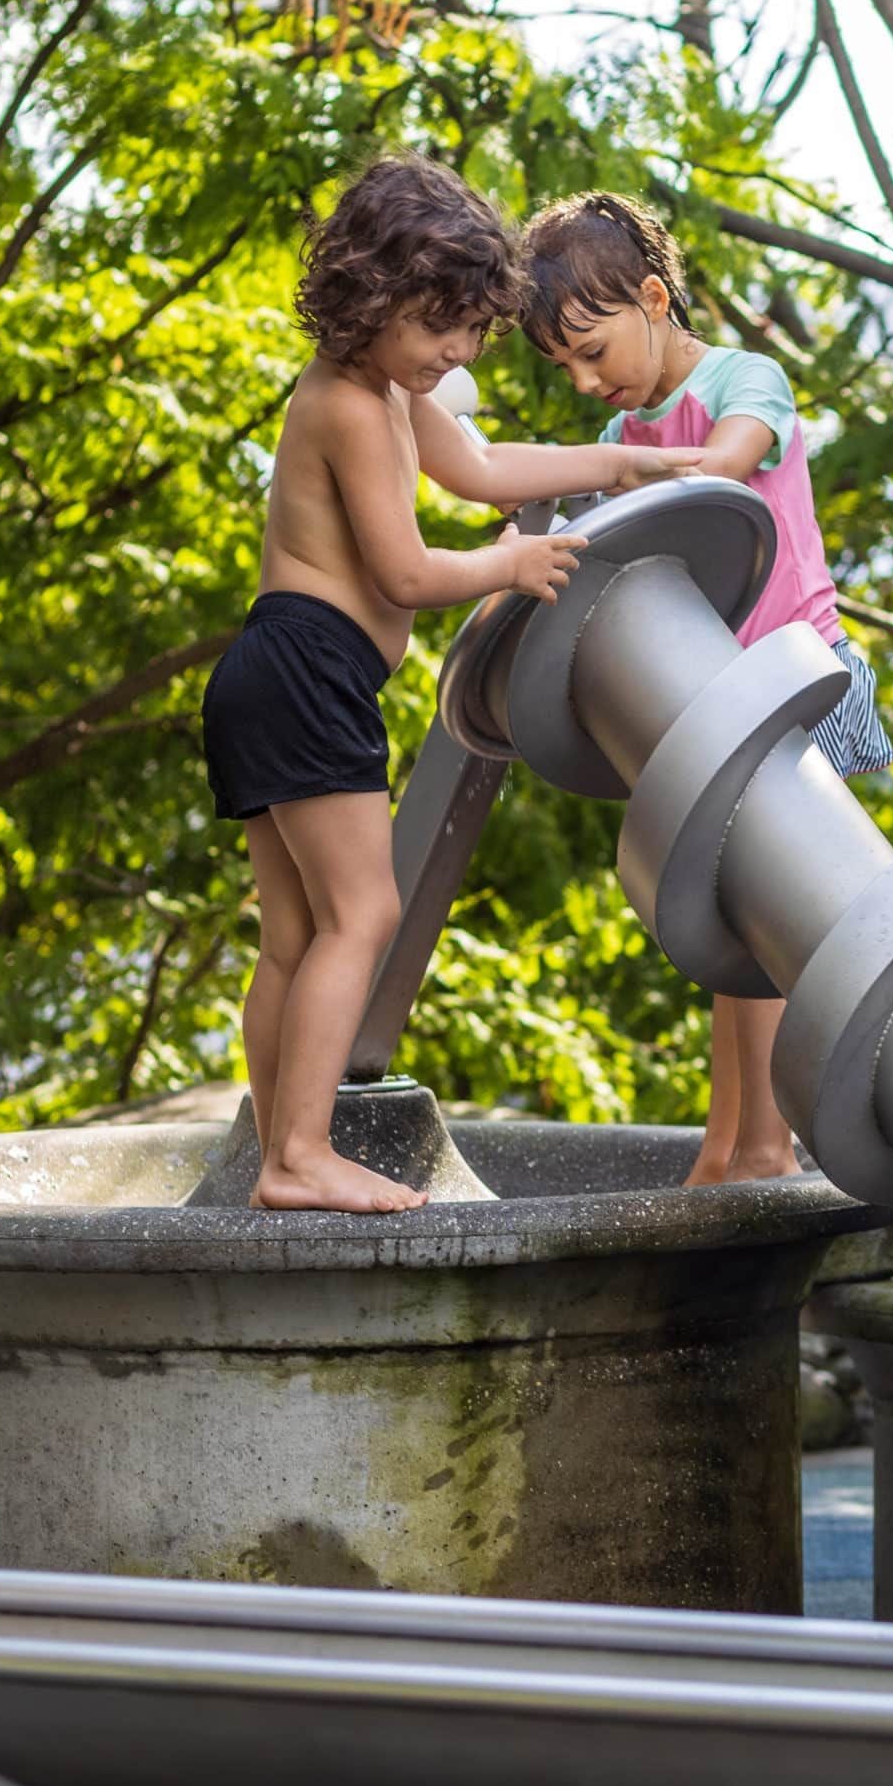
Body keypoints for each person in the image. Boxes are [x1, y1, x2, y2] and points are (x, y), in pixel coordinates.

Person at [203, 155, 700, 1215]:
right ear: (371, 297)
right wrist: (509, 567)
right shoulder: (344, 401)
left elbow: (477, 470)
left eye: (474, 332)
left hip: (276, 673)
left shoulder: (385, 384)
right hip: (306, 669)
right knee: (362, 913)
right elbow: (405, 572)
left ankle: (276, 1152)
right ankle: (298, 1151)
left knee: (296, 935)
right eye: (444, 327)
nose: (460, 354)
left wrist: (613, 466)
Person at [519, 190, 893, 1187]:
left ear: (654, 297)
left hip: (797, 676)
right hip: (725, 704)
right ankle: (728, 1142)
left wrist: (615, 479)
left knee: (769, 926)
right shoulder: (638, 430)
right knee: (736, 930)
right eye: (564, 367)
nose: (584, 378)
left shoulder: (743, 379)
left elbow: (725, 473)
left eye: (593, 349)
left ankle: (767, 1143)